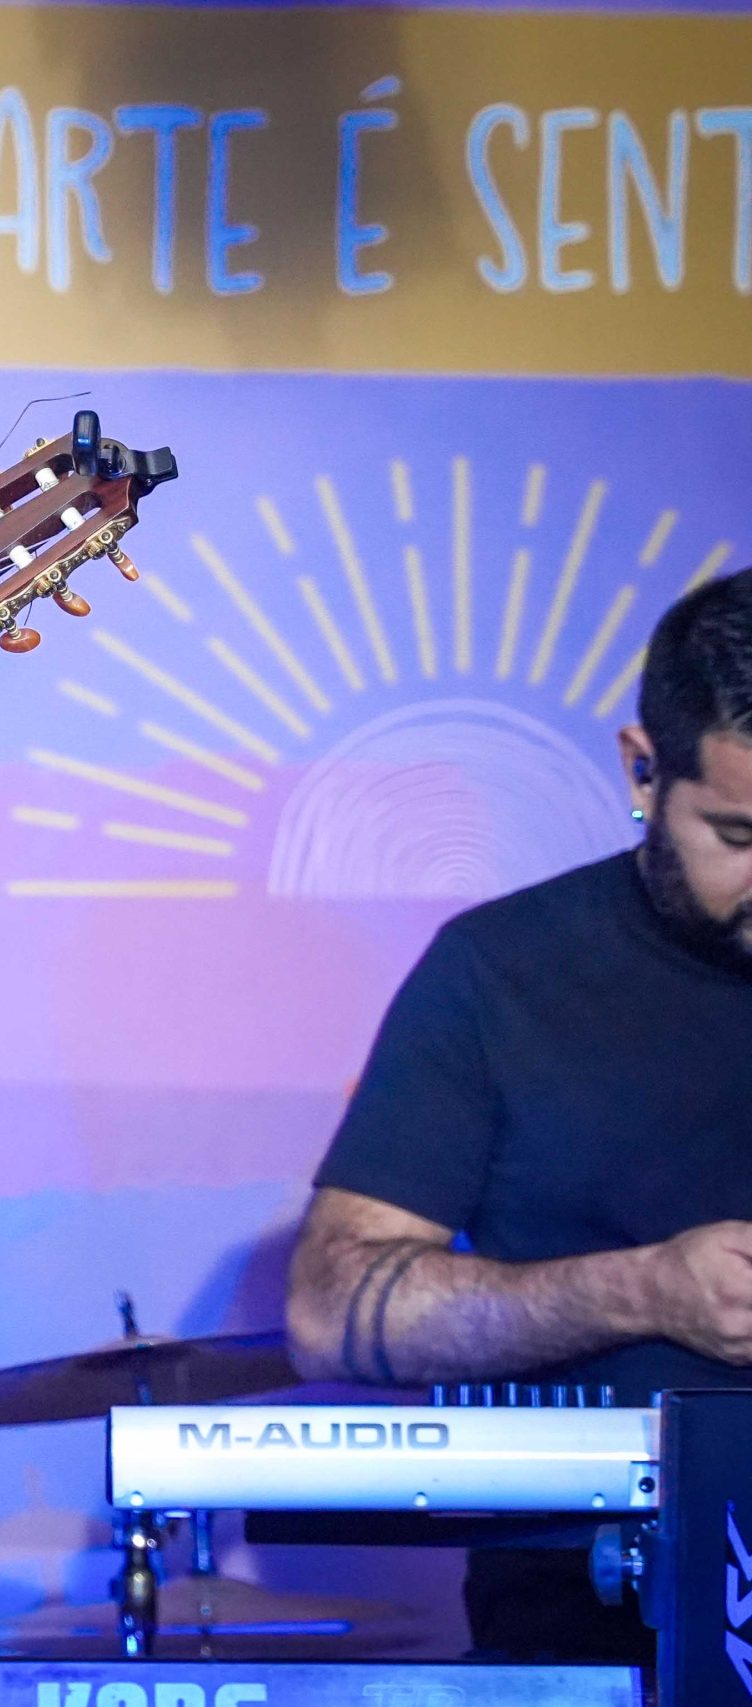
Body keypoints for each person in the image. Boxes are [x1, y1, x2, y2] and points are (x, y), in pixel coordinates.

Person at [285, 567, 752, 1663]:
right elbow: (329, 1311)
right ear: (642, 768)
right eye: (738, 836)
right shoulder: (501, 972)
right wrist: (647, 1289)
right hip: (591, 1618)